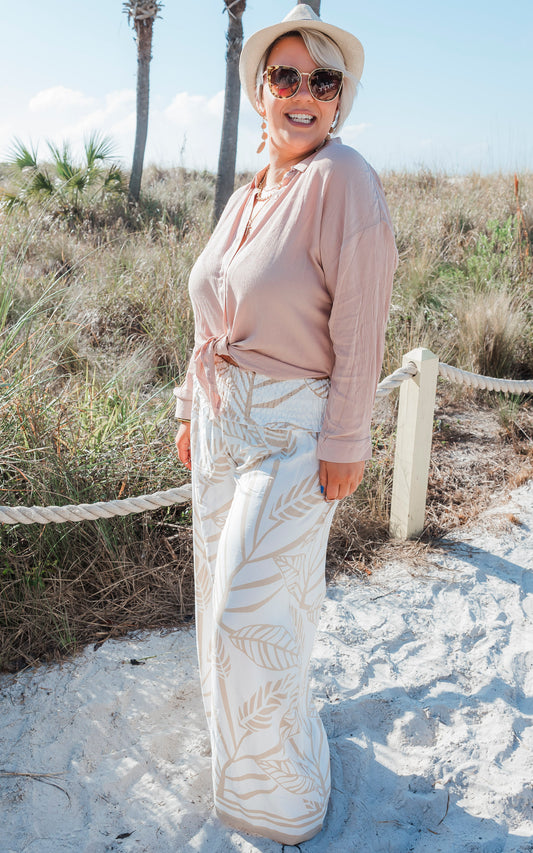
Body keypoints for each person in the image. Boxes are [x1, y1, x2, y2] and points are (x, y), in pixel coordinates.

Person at [174, 3, 398, 844]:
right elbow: (211, 313)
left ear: (339, 100)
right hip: (224, 420)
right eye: (285, 76)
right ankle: (241, 770)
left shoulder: (346, 180)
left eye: (322, 80)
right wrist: (192, 406)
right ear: (259, 91)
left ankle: (287, 793)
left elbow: (362, 323)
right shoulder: (244, 196)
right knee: (212, 601)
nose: (302, 92)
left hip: (296, 430)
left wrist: (346, 438)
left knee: (250, 615)